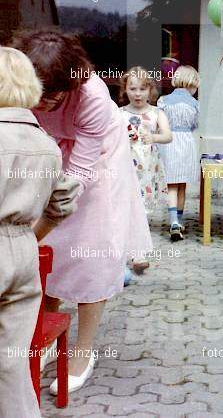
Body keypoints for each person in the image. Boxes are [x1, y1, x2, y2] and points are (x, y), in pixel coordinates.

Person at [11, 29, 153, 395]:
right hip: (49, 149)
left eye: (51, 98)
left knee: (90, 250)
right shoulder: (18, 81)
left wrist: (51, 205)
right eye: (36, 95)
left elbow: (81, 172)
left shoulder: (93, 98)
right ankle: (45, 336)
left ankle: (84, 350)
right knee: (49, 253)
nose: (40, 104)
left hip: (98, 160)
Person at [0, 47, 80, 418]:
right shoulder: (45, 144)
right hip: (22, 254)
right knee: (12, 364)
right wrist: (31, 236)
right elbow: (63, 201)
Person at [119, 67, 172, 274]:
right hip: (125, 167)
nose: (138, 93)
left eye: (142, 88)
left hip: (148, 169)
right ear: (125, 89)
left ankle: (137, 252)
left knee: (141, 211)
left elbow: (168, 135)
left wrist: (155, 137)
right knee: (125, 209)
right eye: (133, 88)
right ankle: (128, 253)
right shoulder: (119, 113)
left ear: (150, 90)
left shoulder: (157, 113)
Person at [157, 65, 200, 241]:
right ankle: (179, 221)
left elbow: (159, 123)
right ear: (193, 83)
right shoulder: (195, 104)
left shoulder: (163, 101)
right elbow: (195, 125)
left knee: (171, 185)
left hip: (169, 143)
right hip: (187, 143)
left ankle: (174, 221)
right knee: (182, 185)